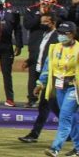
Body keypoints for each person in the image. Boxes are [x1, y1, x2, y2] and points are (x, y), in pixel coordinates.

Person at [38, 21, 79, 157]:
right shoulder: (54, 48)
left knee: (64, 117)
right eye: (59, 33)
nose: (61, 35)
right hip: (59, 87)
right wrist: (40, 83)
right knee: (71, 118)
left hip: (74, 87)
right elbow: (47, 67)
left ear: (72, 34)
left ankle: (55, 149)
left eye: (64, 33)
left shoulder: (78, 49)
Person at [18, 12, 60, 142]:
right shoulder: (45, 35)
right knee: (54, 107)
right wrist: (30, 60)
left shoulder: (57, 37)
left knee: (44, 105)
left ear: (53, 22)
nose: (42, 24)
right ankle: (70, 130)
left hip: (51, 76)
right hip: (42, 72)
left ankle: (34, 134)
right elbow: (40, 53)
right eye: (41, 22)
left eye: (45, 22)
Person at [23, 0, 67, 103]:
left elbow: (64, 20)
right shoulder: (31, 9)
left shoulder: (58, 8)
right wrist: (39, 15)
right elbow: (27, 25)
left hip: (53, 47)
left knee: (51, 74)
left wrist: (50, 12)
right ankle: (32, 100)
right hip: (35, 47)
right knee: (33, 75)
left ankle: (49, 101)